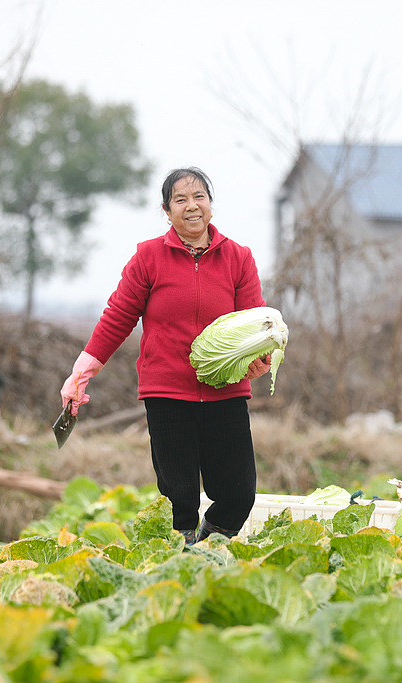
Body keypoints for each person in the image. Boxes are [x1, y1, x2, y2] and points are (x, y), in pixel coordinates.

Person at [60, 167, 272, 545]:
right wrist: (83, 370)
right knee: (180, 497)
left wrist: (260, 360)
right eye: (180, 199)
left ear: (210, 204)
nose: (192, 206)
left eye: (199, 197)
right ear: (166, 209)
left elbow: (256, 322)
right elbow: (118, 315)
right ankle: (181, 563)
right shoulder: (148, 258)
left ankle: (205, 545)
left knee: (239, 495)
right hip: (168, 391)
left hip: (225, 390)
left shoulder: (238, 258)